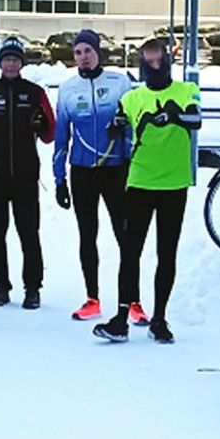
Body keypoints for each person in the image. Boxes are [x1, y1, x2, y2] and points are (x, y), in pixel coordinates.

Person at [93, 38, 201, 344]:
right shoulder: (132, 96)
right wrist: (116, 124)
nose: (154, 66)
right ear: (141, 63)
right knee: (130, 252)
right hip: (139, 182)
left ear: (168, 61)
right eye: (148, 61)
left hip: (174, 183)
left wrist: (173, 115)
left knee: (167, 253)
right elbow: (120, 118)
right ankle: (120, 317)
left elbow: (196, 119)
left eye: (158, 61)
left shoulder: (185, 91)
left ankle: (160, 318)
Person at [52, 29, 134, 320]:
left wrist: (122, 127)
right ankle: (92, 298)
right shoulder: (68, 89)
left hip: (116, 170)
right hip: (83, 172)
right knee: (87, 236)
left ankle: (132, 301)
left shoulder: (120, 83)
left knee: (126, 237)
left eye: (88, 51)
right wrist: (59, 180)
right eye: (78, 52)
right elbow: (61, 138)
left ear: (98, 52)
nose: (83, 57)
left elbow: (135, 122)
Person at [0, 37, 54, 310]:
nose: (10, 64)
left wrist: (42, 124)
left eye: (15, 59)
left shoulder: (34, 93)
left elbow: (50, 134)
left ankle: (32, 287)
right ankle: (1, 287)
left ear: (22, 63)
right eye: (6, 59)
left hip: (26, 174)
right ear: (0, 63)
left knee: (28, 231)